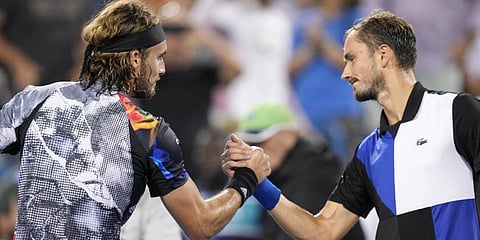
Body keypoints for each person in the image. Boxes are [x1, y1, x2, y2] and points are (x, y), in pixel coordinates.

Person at [0, 1, 271, 239]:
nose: (162, 69)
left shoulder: (34, 99)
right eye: (158, 57)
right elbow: (201, 226)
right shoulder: (149, 133)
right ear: (134, 59)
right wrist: (246, 180)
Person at [223, 9, 480, 239]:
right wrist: (259, 183)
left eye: (351, 58)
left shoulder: (457, 111)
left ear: (383, 55)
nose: (345, 72)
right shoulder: (368, 152)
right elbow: (322, 231)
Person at [234, 102, 365, 240]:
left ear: (288, 136)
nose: (254, 149)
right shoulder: (279, 174)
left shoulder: (314, 176)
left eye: (261, 141)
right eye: (249, 143)